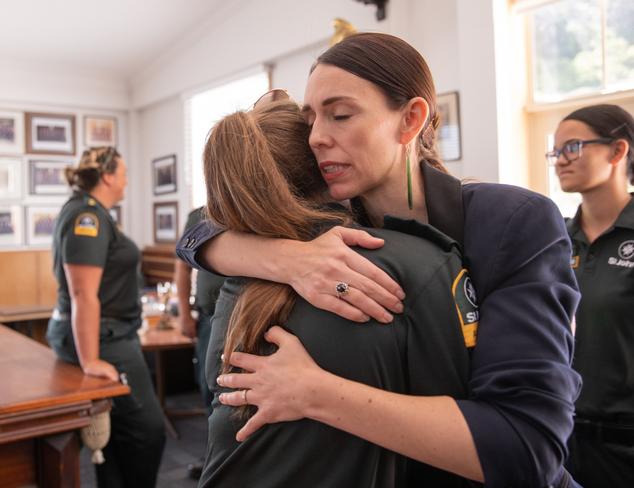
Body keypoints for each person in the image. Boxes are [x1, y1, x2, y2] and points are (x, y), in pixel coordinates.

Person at [177, 33, 581, 487]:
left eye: (341, 115)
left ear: (410, 120)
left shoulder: (512, 220)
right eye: (309, 121)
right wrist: (288, 259)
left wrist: (315, 393)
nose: (316, 139)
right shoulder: (332, 230)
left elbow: (527, 450)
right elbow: (195, 237)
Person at [199, 97, 477, 487]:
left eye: (341, 116)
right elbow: (464, 435)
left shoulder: (236, 274)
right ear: (325, 168)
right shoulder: (422, 263)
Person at [47, 146, 165, 488]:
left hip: (108, 334)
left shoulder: (90, 212)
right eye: (124, 174)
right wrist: (91, 360)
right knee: (147, 431)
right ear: (108, 176)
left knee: (116, 434)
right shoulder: (89, 216)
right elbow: (83, 292)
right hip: (105, 339)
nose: (127, 182)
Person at [550, 104, 634, 488]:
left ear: (617, 152)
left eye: (573, 147)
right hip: (560, 439)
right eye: (556, 151)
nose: (560, 160)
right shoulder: (553, 241)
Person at [174, 206, 225, 480]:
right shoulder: (198, 216)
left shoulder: (247, 206)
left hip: (243, 318)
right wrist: (184, 312)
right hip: (207, 319)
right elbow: (182, 268)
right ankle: (212, 457)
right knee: (207, 388)